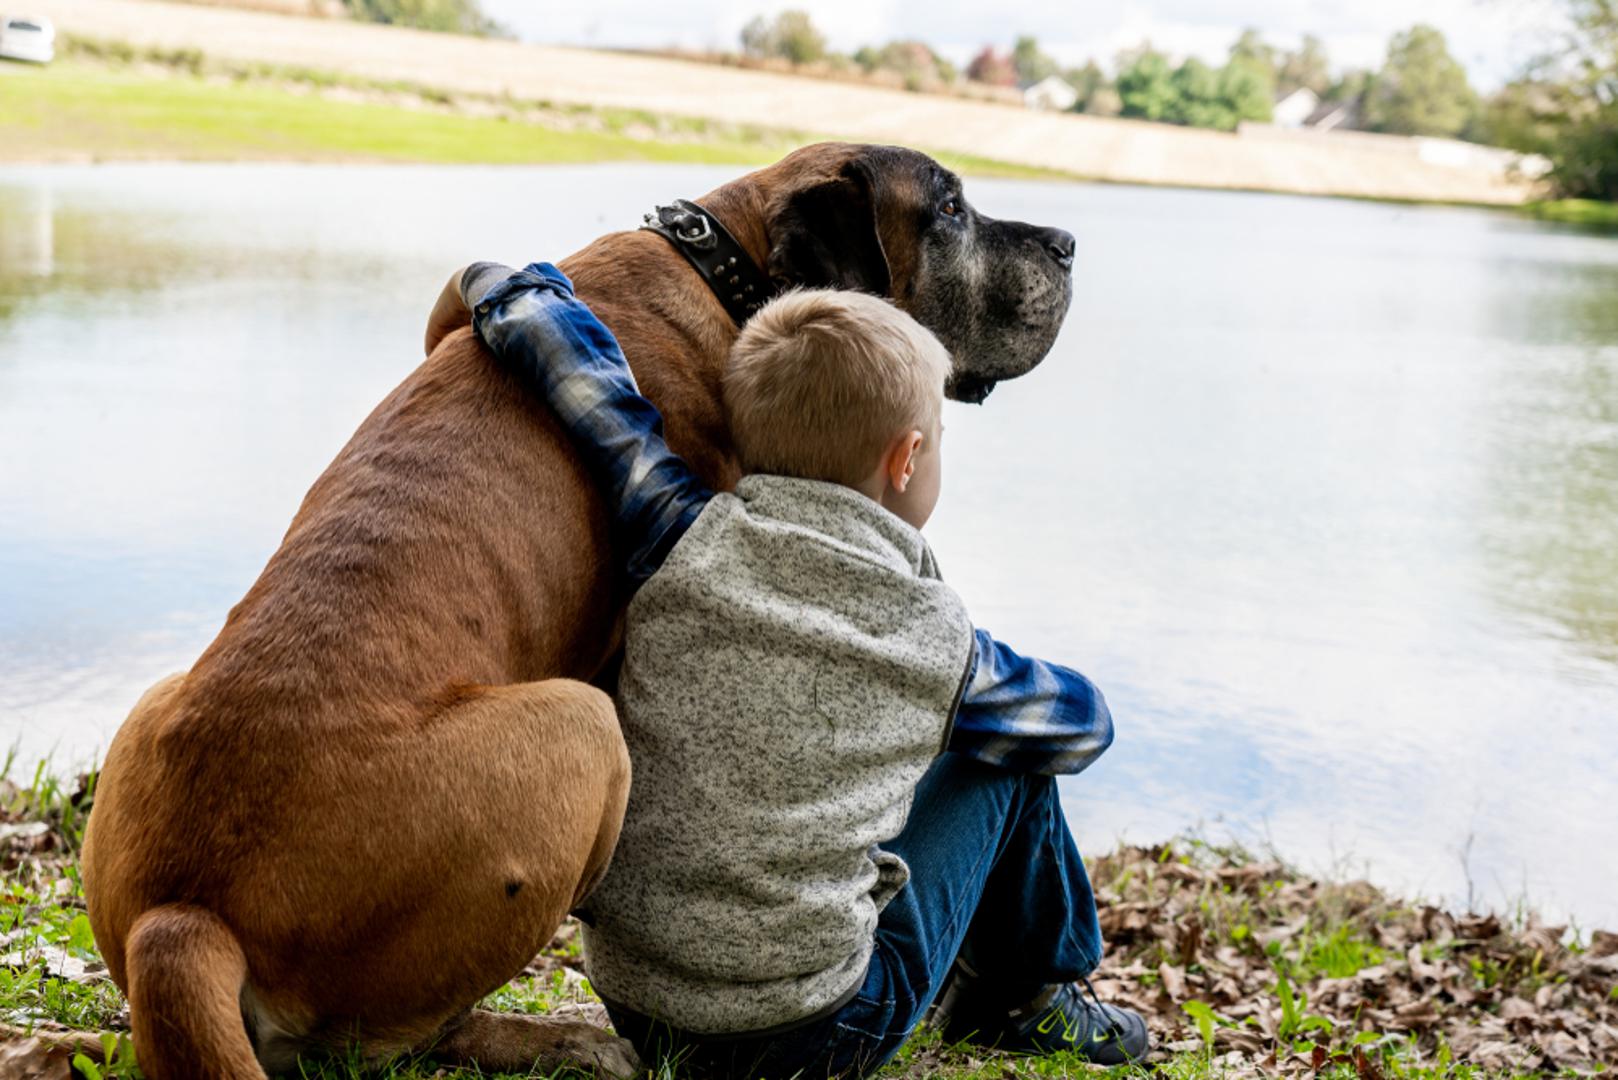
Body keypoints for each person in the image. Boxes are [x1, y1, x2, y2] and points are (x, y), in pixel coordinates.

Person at [450, 261, 1149, 1078]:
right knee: (1005, 765)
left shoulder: (678, 530)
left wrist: (510, 291)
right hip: (815, 1036)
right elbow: (1081, 726)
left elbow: (596, 397)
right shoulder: (930, 643)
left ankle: (1015, 995)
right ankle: (1028, 1001)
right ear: (907, 458)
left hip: (639, 1004)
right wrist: (957, 673)